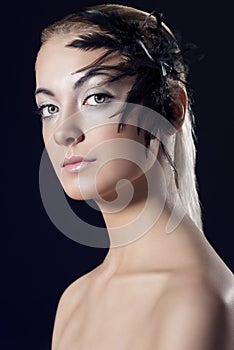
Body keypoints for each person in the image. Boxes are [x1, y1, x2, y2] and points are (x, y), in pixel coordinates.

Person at [35, 4, 234, 349]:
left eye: (96, 97)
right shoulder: (74, 301)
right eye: (49, 108)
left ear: (171, 109)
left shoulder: (198, 299)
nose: (63, 132)